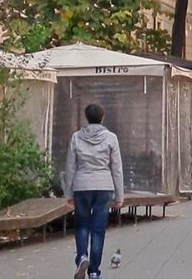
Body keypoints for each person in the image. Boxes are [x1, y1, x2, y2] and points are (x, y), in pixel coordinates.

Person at [63, 103, 124, 279]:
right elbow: (116, 168)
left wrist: (69, 194)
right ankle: (94, 272)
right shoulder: (111, 138)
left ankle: (82, 256)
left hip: (82, 186)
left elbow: (70, 166)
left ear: (86, 118)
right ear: (102, 118)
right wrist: (119, 195)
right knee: (98, 230)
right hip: (104, 187)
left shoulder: (76, 137)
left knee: (82, 225)